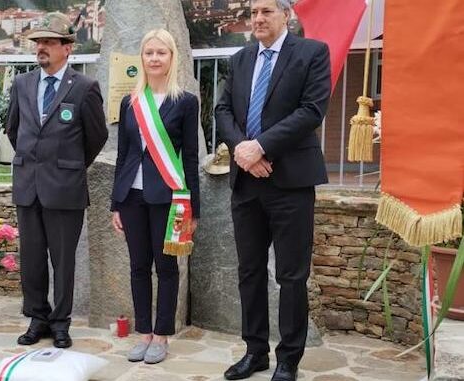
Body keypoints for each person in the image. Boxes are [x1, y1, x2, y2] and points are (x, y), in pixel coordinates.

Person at [214, 0, 331, 380]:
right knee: (249, 271)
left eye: (266, 11)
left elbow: (312, 110)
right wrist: (244, 152)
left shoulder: (312, 53)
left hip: (291, 183)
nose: (258, 18)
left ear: (286, 15)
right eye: (253, 13)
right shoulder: (240, 58)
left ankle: (288, 359)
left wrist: (260, 146)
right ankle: (255, 351)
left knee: (291, 275)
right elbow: (222, 111)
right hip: (247, 181)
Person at [5, 12, 108, 349]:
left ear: (68, 47)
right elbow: (13, 128)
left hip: (64, 188)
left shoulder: (84, 87)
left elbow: (95, 137)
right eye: (38, 43)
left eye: (49, 42)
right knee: (32, 259)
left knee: (63, 261)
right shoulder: (22, 84)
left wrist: (69, 166)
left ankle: (61, 323)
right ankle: (38, 318)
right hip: (28, 187)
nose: (41, 48)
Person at [111, 29, 200, 365]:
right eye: (149, 53)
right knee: (137, 267)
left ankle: (161, 336)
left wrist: (193, 207)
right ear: (142, 57)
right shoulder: (130, 102)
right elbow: (123, 156)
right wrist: (115, 203)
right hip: (132, 196)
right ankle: (143, 333)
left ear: (172, 57)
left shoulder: (186, 102)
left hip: (169, 196)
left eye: (161, 53)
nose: (154, 59)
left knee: (166, 268)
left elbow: (190, 157)